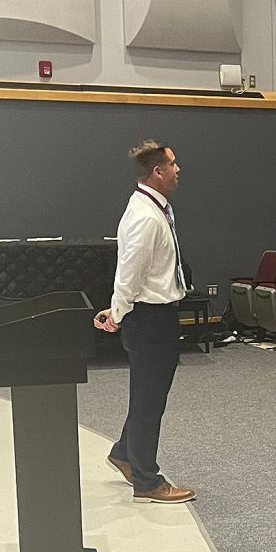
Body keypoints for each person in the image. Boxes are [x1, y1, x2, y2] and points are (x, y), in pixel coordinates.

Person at [93, 139, 196, 504]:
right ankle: (147, 481)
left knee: (148, 396)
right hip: (150, 318)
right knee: (149, 400)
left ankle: (124, 453)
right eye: (173, 163)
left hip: (157, 315)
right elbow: (129, 272)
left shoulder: (156, 208)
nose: (178, 168)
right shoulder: (145, 215)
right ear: (157, 171)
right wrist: (118, 313)